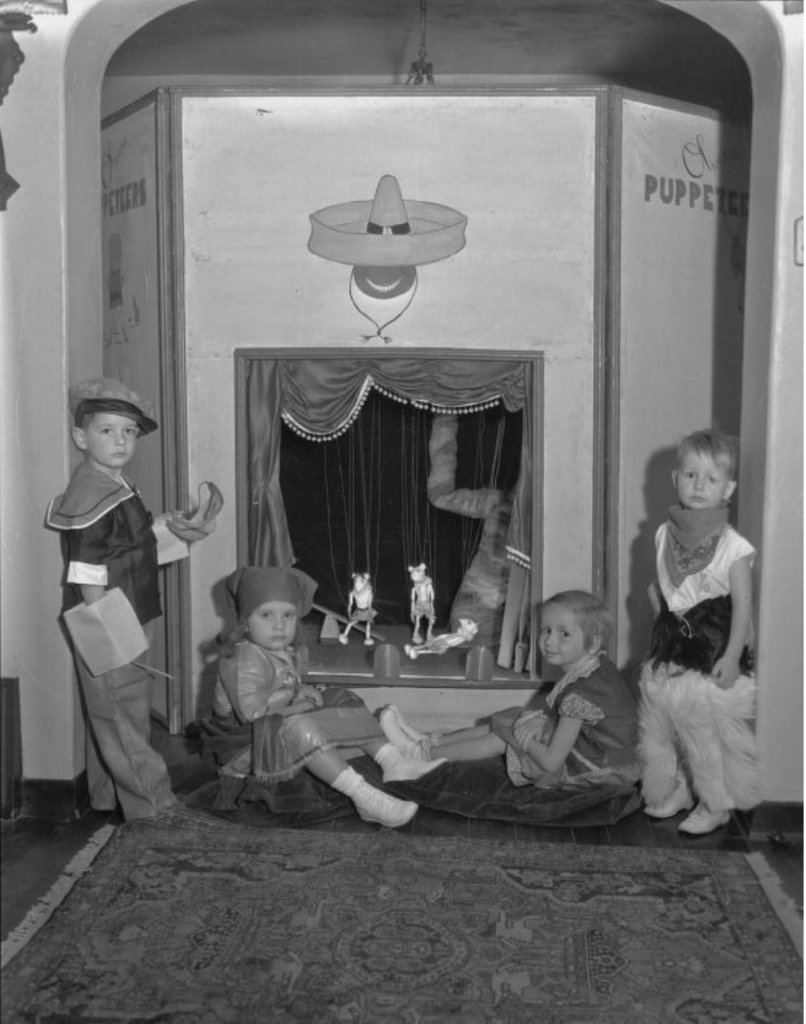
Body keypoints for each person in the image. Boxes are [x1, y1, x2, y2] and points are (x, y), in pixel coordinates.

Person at [45, 378, 219, 824]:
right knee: (123, 714)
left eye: (129, 431)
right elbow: (86, 568)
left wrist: (175, 529)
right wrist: (107, 631)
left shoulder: (117, 484)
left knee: (119, 710)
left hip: (134, 610)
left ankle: (107, 798)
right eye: (107, 431)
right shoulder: (91, 493)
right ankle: (155, 809)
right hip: (110, 617)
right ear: (81, 437)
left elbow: (132, 546)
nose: (121, 441)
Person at [214, 565, 444, 828]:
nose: (279, 625)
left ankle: (393, 761)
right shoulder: (244, 658)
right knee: (299, 724)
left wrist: (302, 691)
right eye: (266, 615)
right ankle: (363, 796)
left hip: (275, 722)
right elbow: (253, 716)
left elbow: (279, 687)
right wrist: (301, 705)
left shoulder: (276, 649)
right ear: (245, 622)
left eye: (288, 615)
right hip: (245, 742)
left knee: (341, 697)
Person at [380, 590, 640, 793]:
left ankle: (418, 757)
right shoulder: (594, 666)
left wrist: (521, 737)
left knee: (504, 736)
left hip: (602, 771)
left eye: (564, 634)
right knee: (513, 719)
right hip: (601, 752)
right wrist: (534, 722)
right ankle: (425, 743)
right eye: (547, 630)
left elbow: (551, 762)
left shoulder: (580, 696)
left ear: (593, 643)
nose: (549, 641)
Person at [638, 428, 759, 835]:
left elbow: (743, 604)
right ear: (676, 479)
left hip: (711, 648)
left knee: (703, 728)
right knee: (664, 719)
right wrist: (660, 614)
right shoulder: (664, 534)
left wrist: (732, 656)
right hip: (672, 644)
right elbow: (663, 586)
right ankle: (681, 788)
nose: (700, 485)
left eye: (711, 478)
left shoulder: (732, 546)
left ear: (728, 488)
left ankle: (715, 802)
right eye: (691, 475)